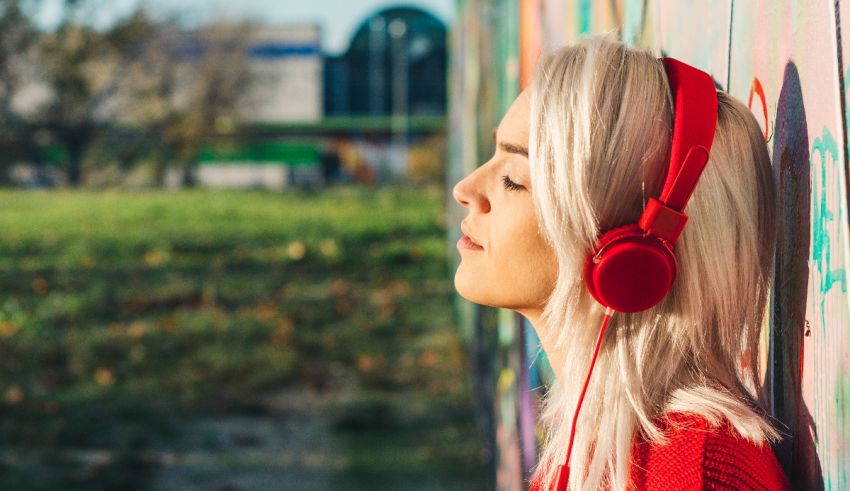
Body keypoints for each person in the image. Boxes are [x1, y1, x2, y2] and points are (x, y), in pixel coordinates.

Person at [452, 32, 790, 490]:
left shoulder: (695, 474)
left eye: (514, 179)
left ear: (631, 253)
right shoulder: (594, 449)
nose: (466, 189)